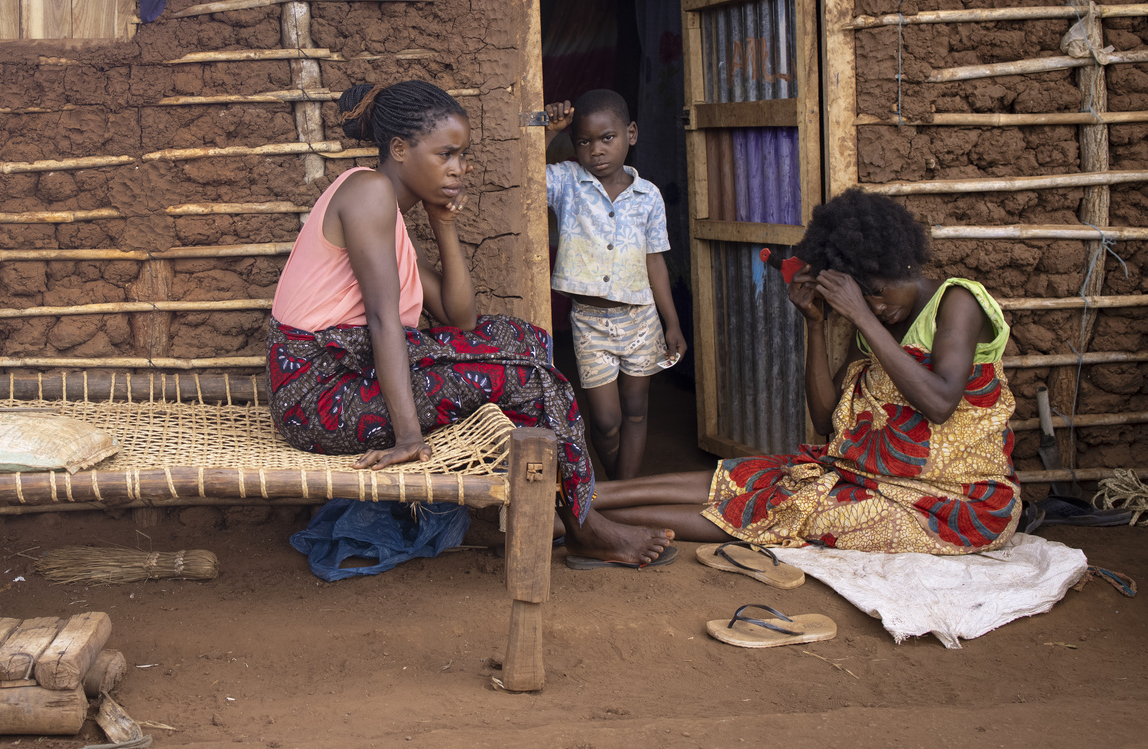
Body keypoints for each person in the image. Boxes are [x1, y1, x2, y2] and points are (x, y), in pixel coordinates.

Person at [267, 80, 675, 567]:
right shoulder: (369, 193)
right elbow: (381, 321)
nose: (459, 168)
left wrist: (443, 222)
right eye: (446, 155)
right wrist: (408, 437)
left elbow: (459, 318)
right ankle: (584, 525)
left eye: (463, 156)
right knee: (528, 378)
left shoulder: (387, 212)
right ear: (399, 149)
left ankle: (573, 514)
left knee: (527, 342)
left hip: (345, 374)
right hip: (318, 396)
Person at [585, 189, 1021, 554]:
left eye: (879, 293)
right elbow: (828, 422)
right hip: (865, 474)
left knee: (794, 506)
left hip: (952, 500)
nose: (879, 309)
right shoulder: (875, 328)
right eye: (865, 303)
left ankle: (576, 523)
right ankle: (584, 497)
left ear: (904, 264)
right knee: (756, 475)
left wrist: (863, 318)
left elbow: (941, 402)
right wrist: (815, 325)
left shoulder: (957, 301)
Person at [541, 91, 686, 480]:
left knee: (636, 412)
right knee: (605, 422)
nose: (597, 150)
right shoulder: (567, 181)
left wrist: (671, 323)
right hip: (589, 323)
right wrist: (545, 132)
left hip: (641, 320)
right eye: (584, 141)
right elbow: (523, 178)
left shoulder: (648, 196)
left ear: (631, 134)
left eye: (608, 138)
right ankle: (622, 492)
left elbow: (654, 260)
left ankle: (622, 497)